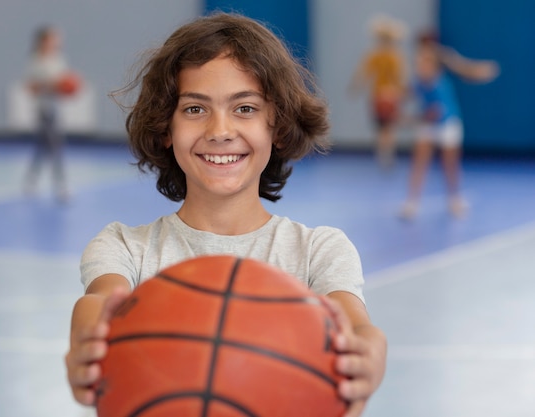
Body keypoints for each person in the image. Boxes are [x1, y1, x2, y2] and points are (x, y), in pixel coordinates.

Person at [65, 13, 386, 417]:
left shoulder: (319, 250)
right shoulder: (125, 247)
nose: (220, 130)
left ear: (279, 126)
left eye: (245, 108)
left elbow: (354, 324)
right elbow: (101, 301)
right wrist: (91, 339)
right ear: (166, 127)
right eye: (195, 109)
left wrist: (369, 351)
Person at [399, 30, 499, 220]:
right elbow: (406, 96)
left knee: (450, 165)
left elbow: (462, 69)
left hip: (447, 123)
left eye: (424, 64)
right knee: (419, 162)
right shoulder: (417, 81)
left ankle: (455, 199)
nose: (420, 66)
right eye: (418, 64)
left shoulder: (439, 80)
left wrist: (479, 71)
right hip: (428, 125)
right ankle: (411, 203)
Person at [349, 14, 408, 169]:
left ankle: (383, 155)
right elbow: (400, 78)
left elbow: (363, 73)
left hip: (378, 95)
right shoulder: (396, 56)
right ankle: (388, 155)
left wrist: (355, 87)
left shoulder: (374, 55)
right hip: (391, 94)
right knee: (390, 128)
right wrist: (402, 93)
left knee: (381, 128)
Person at [23, 25, 71, 203]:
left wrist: (64, 87)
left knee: (41, 148)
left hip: (56, 110)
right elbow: (31, 87)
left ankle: (31, 180)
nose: (56, 42)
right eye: (52, 39)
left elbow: (65, 83)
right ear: (43, 41)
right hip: (44, 111)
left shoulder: (58, 59)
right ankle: (61, 186)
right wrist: (50, 85)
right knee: (55, 147)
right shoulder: (36, 61)